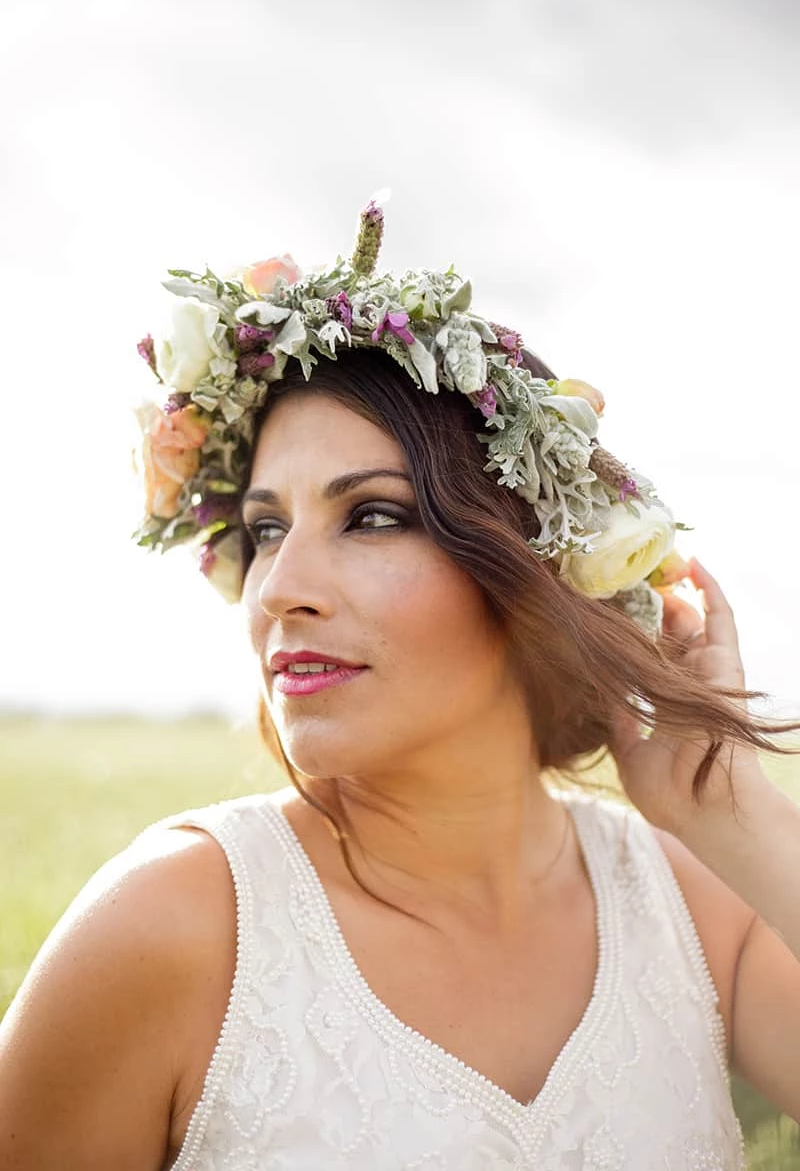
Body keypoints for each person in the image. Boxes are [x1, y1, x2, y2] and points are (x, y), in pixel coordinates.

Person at [1, 201, 798, 1170]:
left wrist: (735, 817)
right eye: (265, 529)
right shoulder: (167, 928)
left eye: (372, 517)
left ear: (529, 569)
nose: (278, 589)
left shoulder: (692, 906)